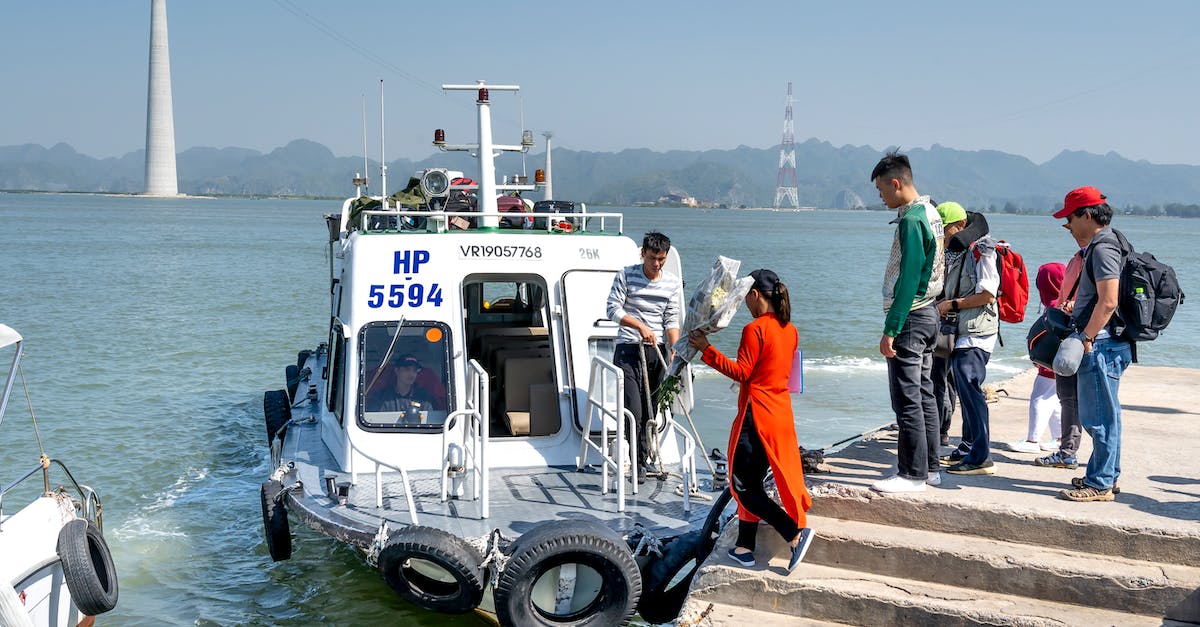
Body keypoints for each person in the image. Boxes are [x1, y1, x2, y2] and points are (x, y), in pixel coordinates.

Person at [688, 269, 814, 573]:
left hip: (755, 415)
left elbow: (742, 373)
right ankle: (745, 546)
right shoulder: (790, 330)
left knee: (741, 485)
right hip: (780, 413)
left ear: (756, 294)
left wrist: (706, 349)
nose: (745, 303)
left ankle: (793, 534)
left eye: (746, 297)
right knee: (752, 481)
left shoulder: (754, 329)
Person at [869, 152, 945, 493]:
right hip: (930, 313)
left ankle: (911, 474)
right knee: (925, 393)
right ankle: (930, 468)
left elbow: (910, 275)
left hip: (912, 316)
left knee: (907, 398)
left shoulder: (913, 219)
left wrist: (891, 328)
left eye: (882, 189)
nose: (880, 196)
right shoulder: (932, 212)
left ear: (896, 183)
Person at [1054, 186, 1131, 502]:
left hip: (1100, 344)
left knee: (1098, 418)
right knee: (1107, 415)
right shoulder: (1113, 242)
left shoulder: (1102, 248)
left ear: (1086, 214)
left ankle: (1099, 484)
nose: (1068, 226)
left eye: (1070, 218)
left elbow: (1109, 300)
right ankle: (1106, 476)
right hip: (1109, 341)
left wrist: (1086, 337)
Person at [606, 231, 683, 484]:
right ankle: (637, 463)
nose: (657, 264)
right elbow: (612, 309)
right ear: (643, 254)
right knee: (634, 409)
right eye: (652, 258)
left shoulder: (671, 283)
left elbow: (671, 318)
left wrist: (674, 348)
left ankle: (646, 457)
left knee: (652, 410)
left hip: (656, 350)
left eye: (661, 259)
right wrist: (639, 326)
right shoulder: (626, 275)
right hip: (629, 349)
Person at [933, 202, 1000, 476]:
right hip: (965, 332)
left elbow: (988, 294)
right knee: (966, 391)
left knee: (971, 392)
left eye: (944, 230)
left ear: (959, 226)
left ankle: (981, 457)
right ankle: (969, 446)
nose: (943, 237)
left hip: (977, 332)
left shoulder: (982, 251)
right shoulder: (960, 252)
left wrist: (952, 305)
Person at [1035, 231, 1091, 471]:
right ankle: (1067, 452)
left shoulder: (1097, 261)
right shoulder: (1077, 259)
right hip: (1070, 335)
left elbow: (1107, 300)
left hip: (1085, 338)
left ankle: (1097, 461)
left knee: (1087, 401)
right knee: (1068, 397)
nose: (1069, 227)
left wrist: (1074, 307)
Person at [1008, 262, 1066, 454]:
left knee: (1039, 396)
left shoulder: (1053, 307)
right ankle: (1059, 437)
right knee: (1054, 397)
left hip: (1049, 362)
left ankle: (1032, 441)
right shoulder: (1067, 302)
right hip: (1062, 361)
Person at [366, 354, 433, 421]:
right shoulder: (381, 397)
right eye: (407, 369)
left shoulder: (424, 398)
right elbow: (373, 421)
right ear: (397, 371)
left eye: (414, 370)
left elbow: (429, 421)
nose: (411, 374)